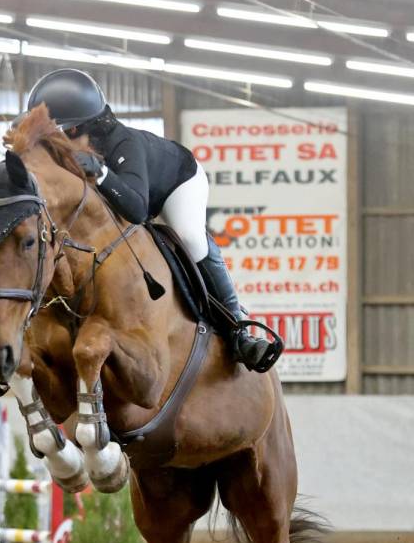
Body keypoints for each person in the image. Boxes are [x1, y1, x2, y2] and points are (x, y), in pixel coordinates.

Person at [26, 68, 282, 373]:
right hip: (129, 198)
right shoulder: (63, 149)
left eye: (59, 132)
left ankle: (238, 327)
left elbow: (136, 209)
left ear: (81, 127)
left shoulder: (123, 144)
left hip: (175, 185)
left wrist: (103, 172)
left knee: (189, 236)